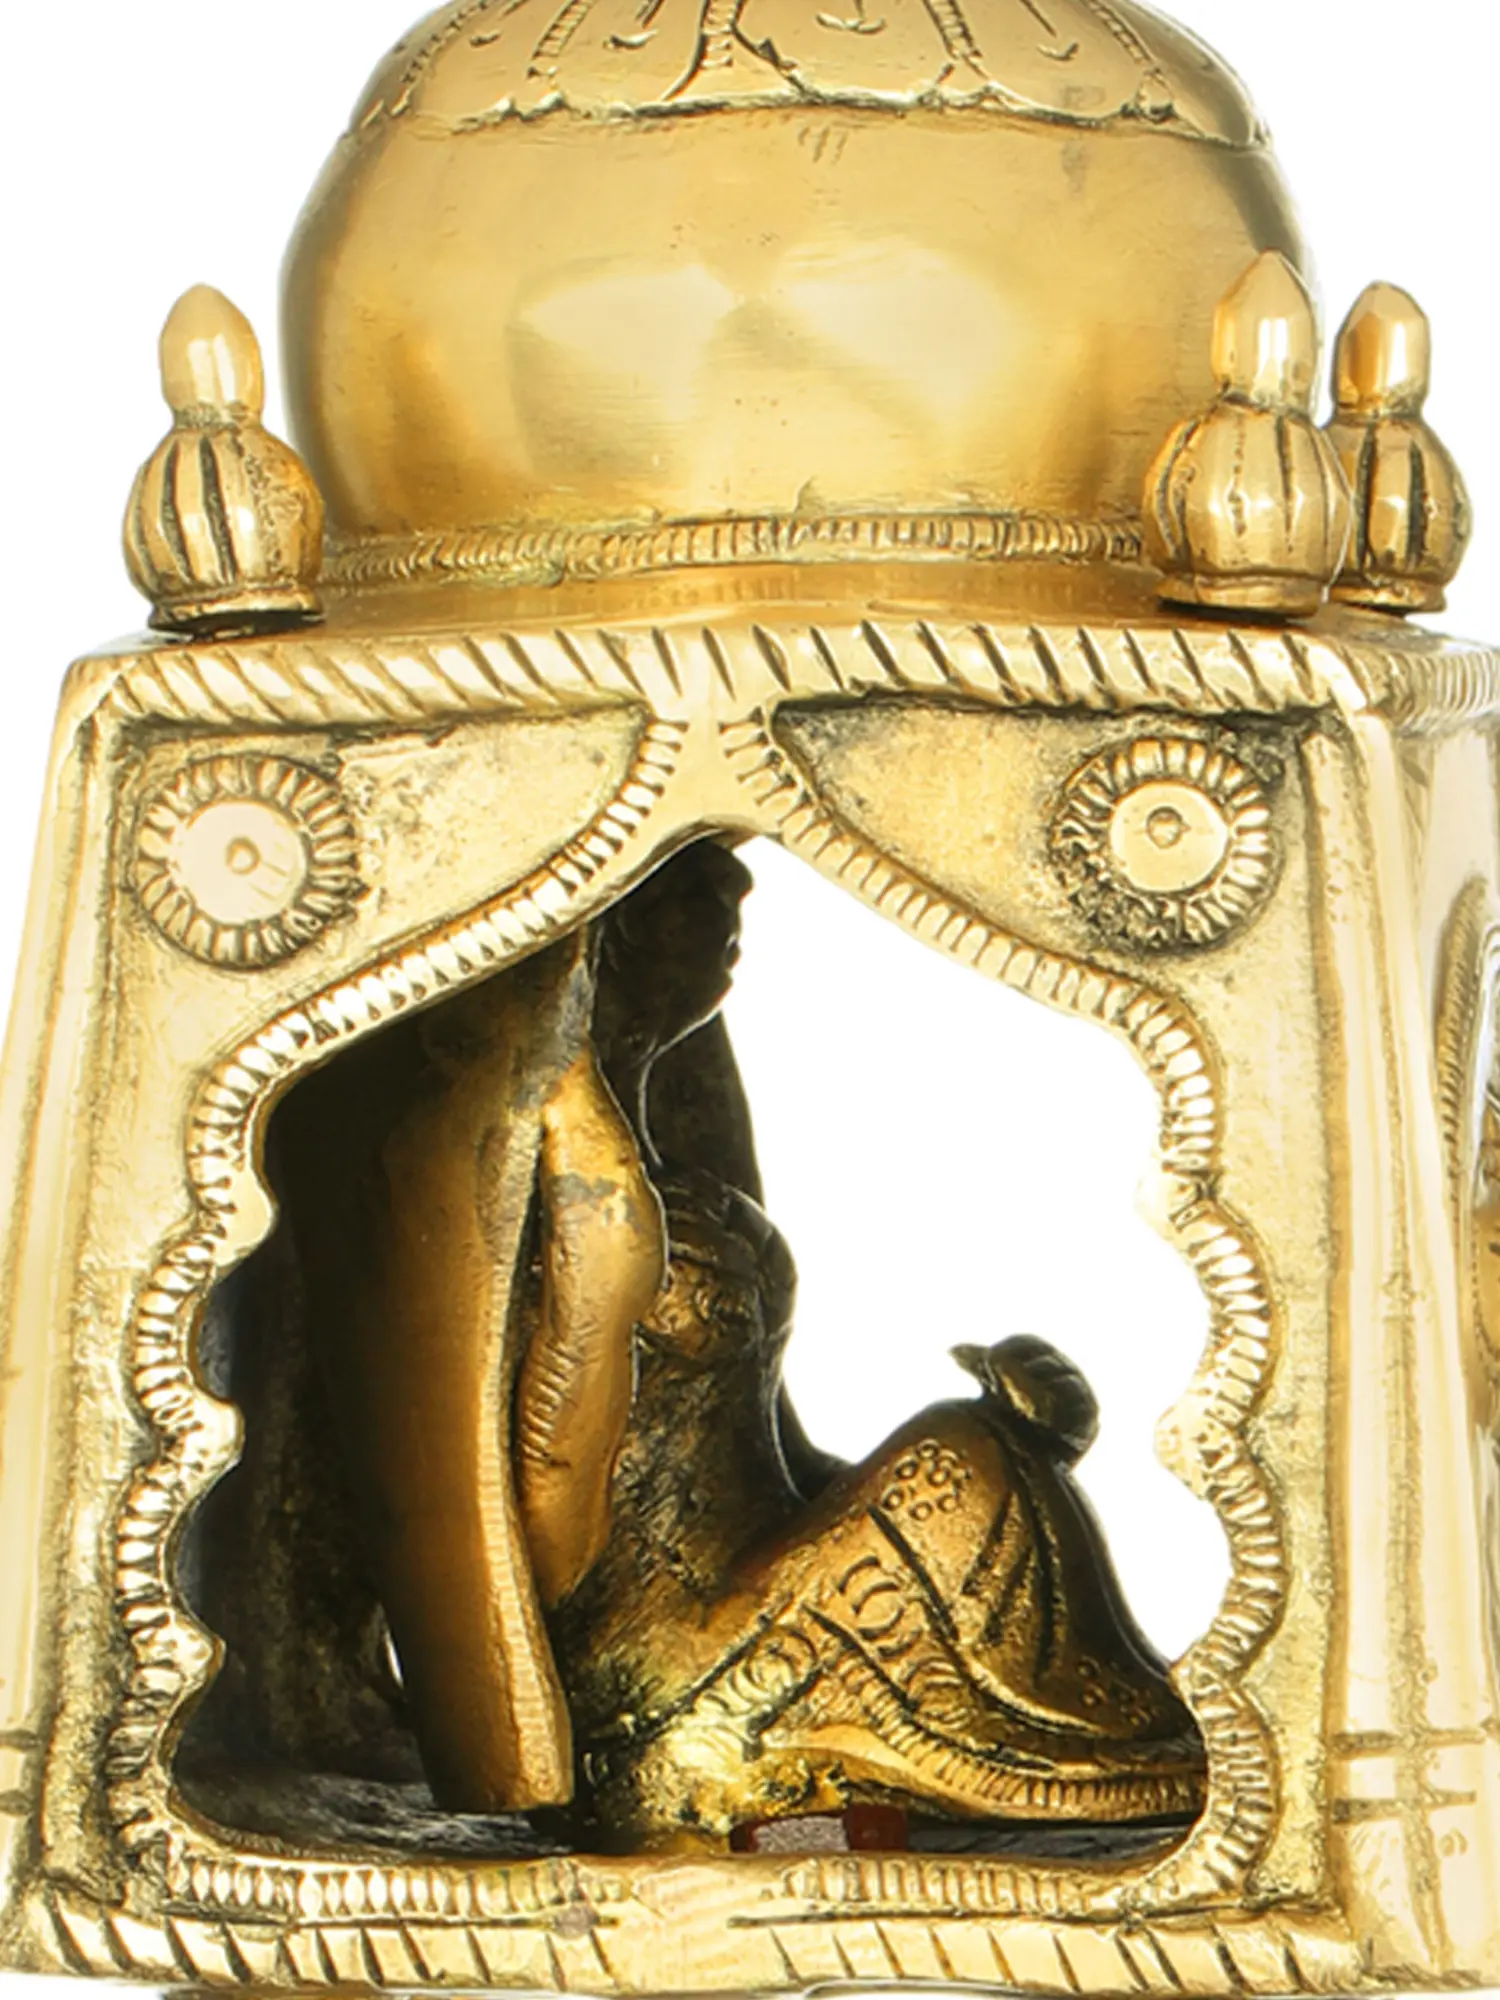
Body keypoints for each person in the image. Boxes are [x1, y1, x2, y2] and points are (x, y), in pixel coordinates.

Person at [514, 840, 1207, 1849]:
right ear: (599, 946)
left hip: (743, 1581)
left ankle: (1116, 1745)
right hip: (675, 1670)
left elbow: (770, 1458)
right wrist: (564, 1081)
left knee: (965, 1452)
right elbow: (547, 1490)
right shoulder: (546, 1214)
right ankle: (1077, 1754)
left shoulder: (674, 1171)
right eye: (683, 888)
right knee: (954, 1458)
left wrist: (995, 1446)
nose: (733, 891)